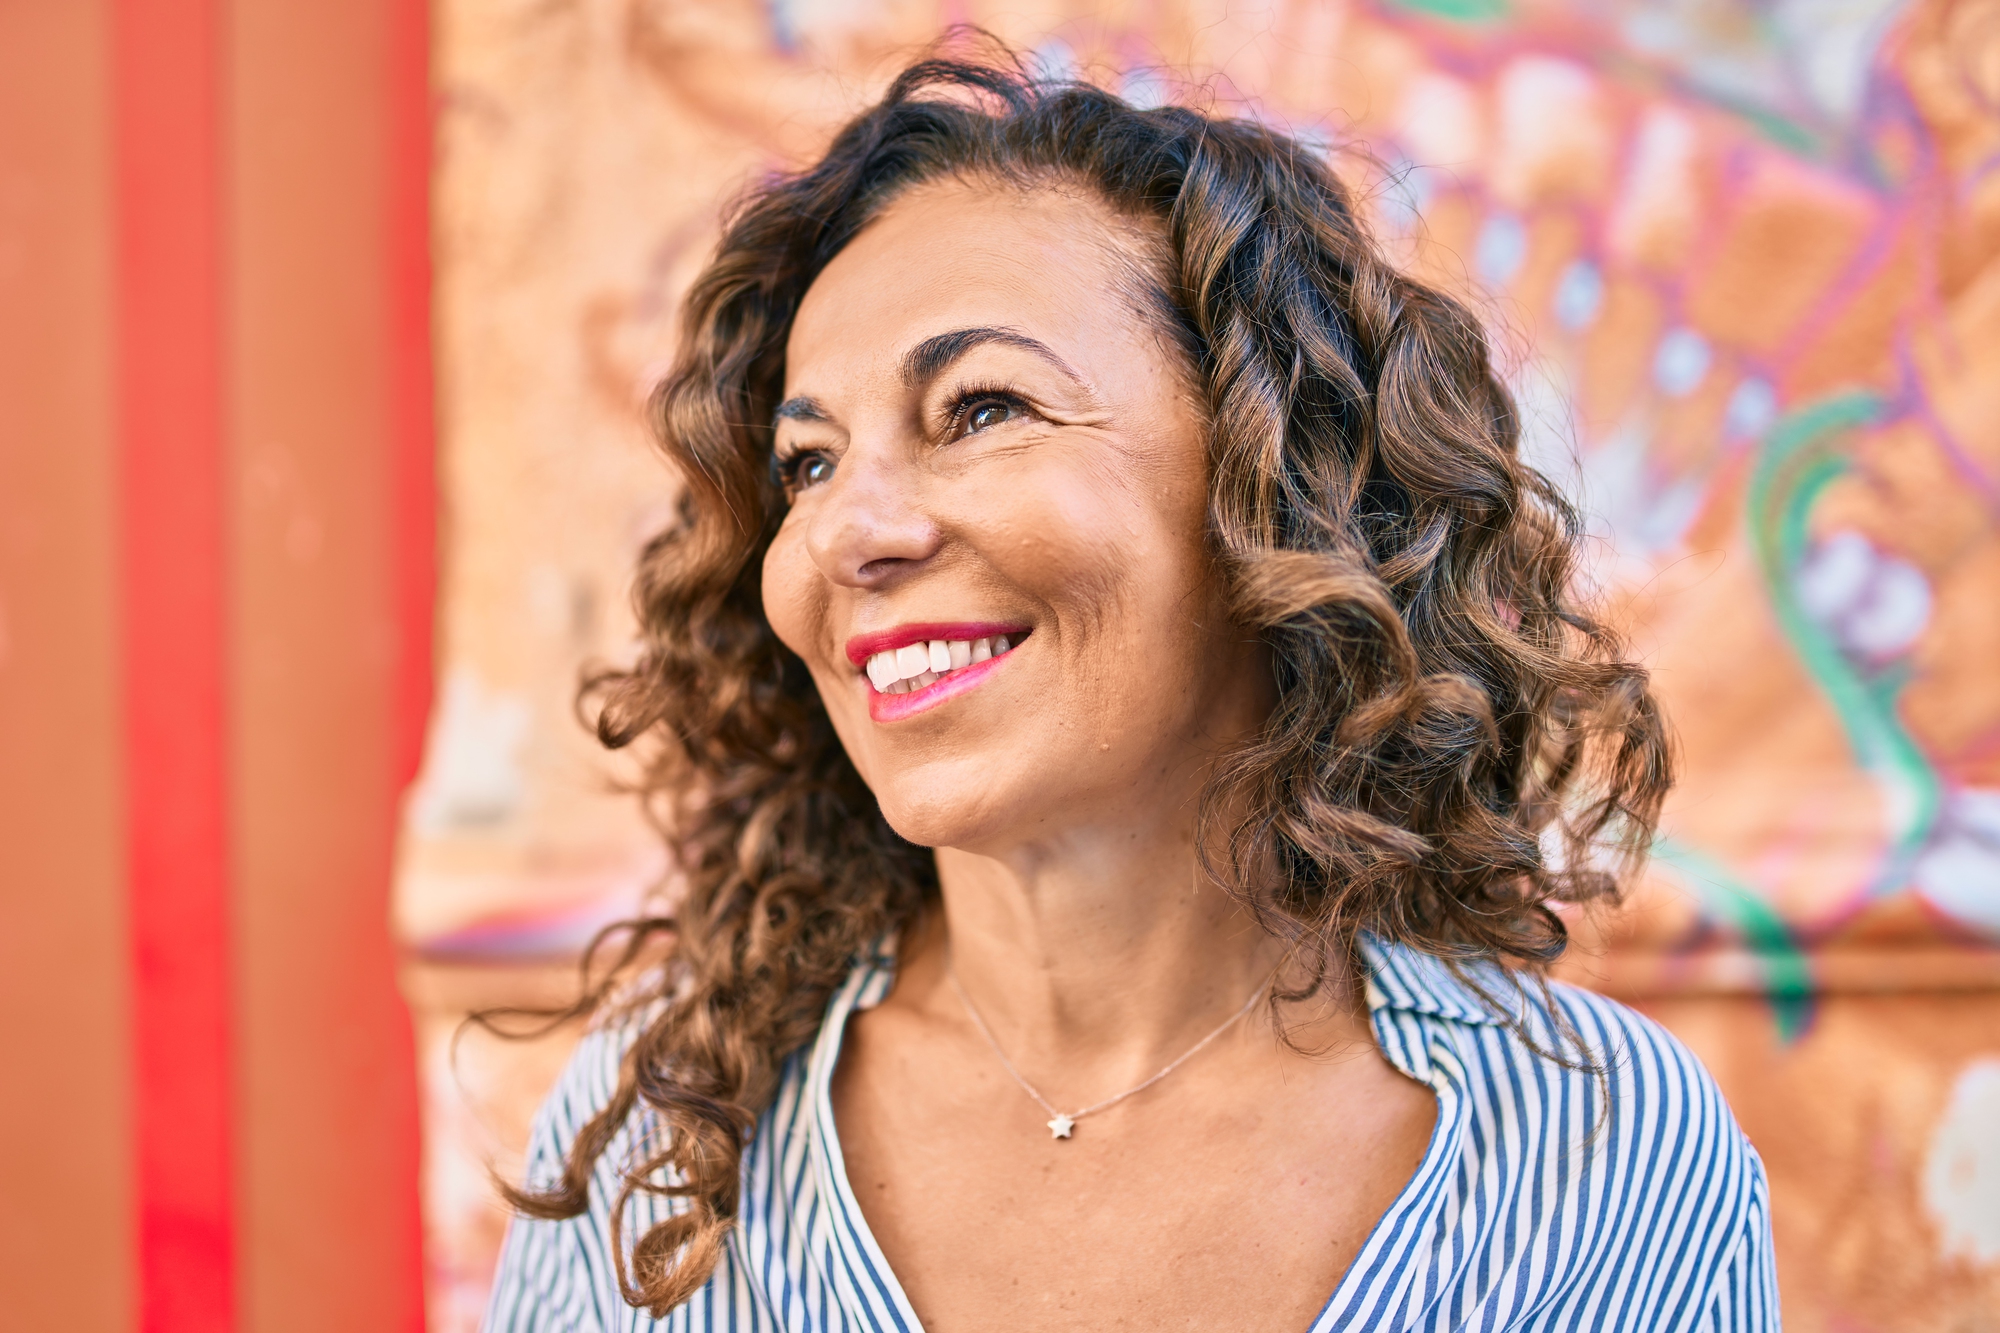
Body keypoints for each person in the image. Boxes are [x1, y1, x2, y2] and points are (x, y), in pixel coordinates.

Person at [484, 52, 1777, 1333]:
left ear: (1271, 491)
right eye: (809, 464)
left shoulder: (1594, 1160)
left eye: (982, 407)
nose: (846, 532)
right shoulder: (668, 1134)